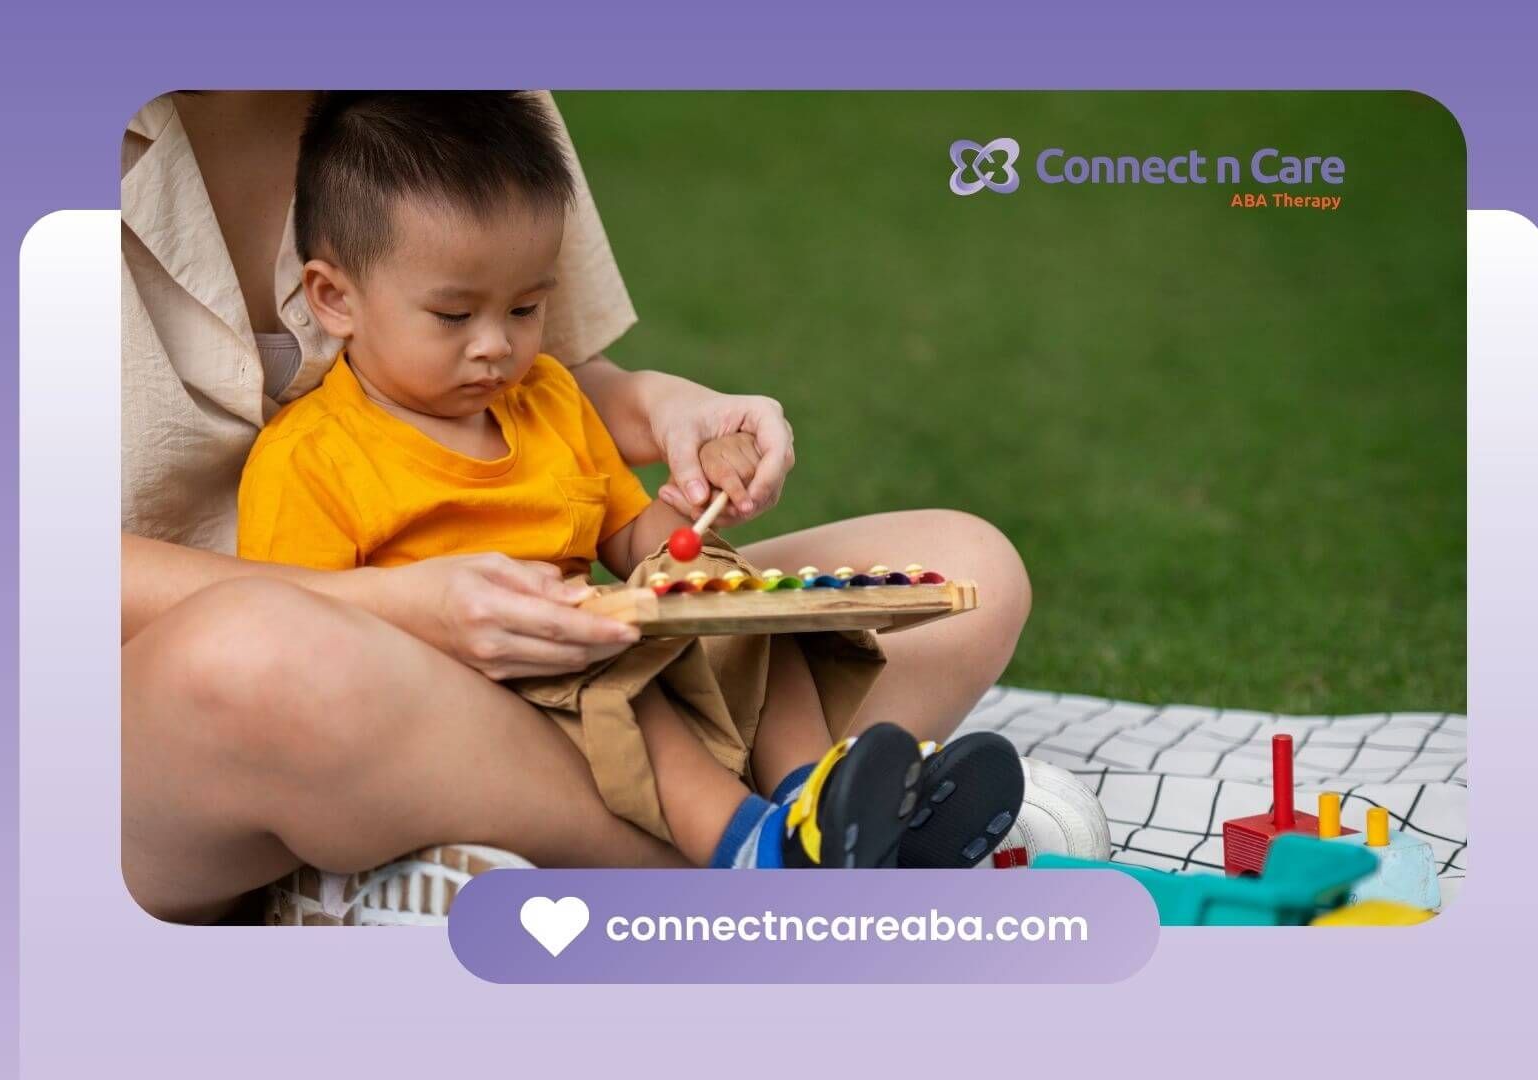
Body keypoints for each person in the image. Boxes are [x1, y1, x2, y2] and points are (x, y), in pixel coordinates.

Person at [122, 91, 1032, 920]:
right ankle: (758, 869)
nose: (498, 347)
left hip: (574, 638)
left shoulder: (542, 393)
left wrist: (691, 519)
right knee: (609, 704)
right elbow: (293, 610)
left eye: (525, 310)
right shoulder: (316, 455)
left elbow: (622, 521)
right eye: (453, 318)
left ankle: (820, 805)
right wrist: (429, 612)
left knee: (880, 587)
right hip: (396, 687)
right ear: (335, 298)